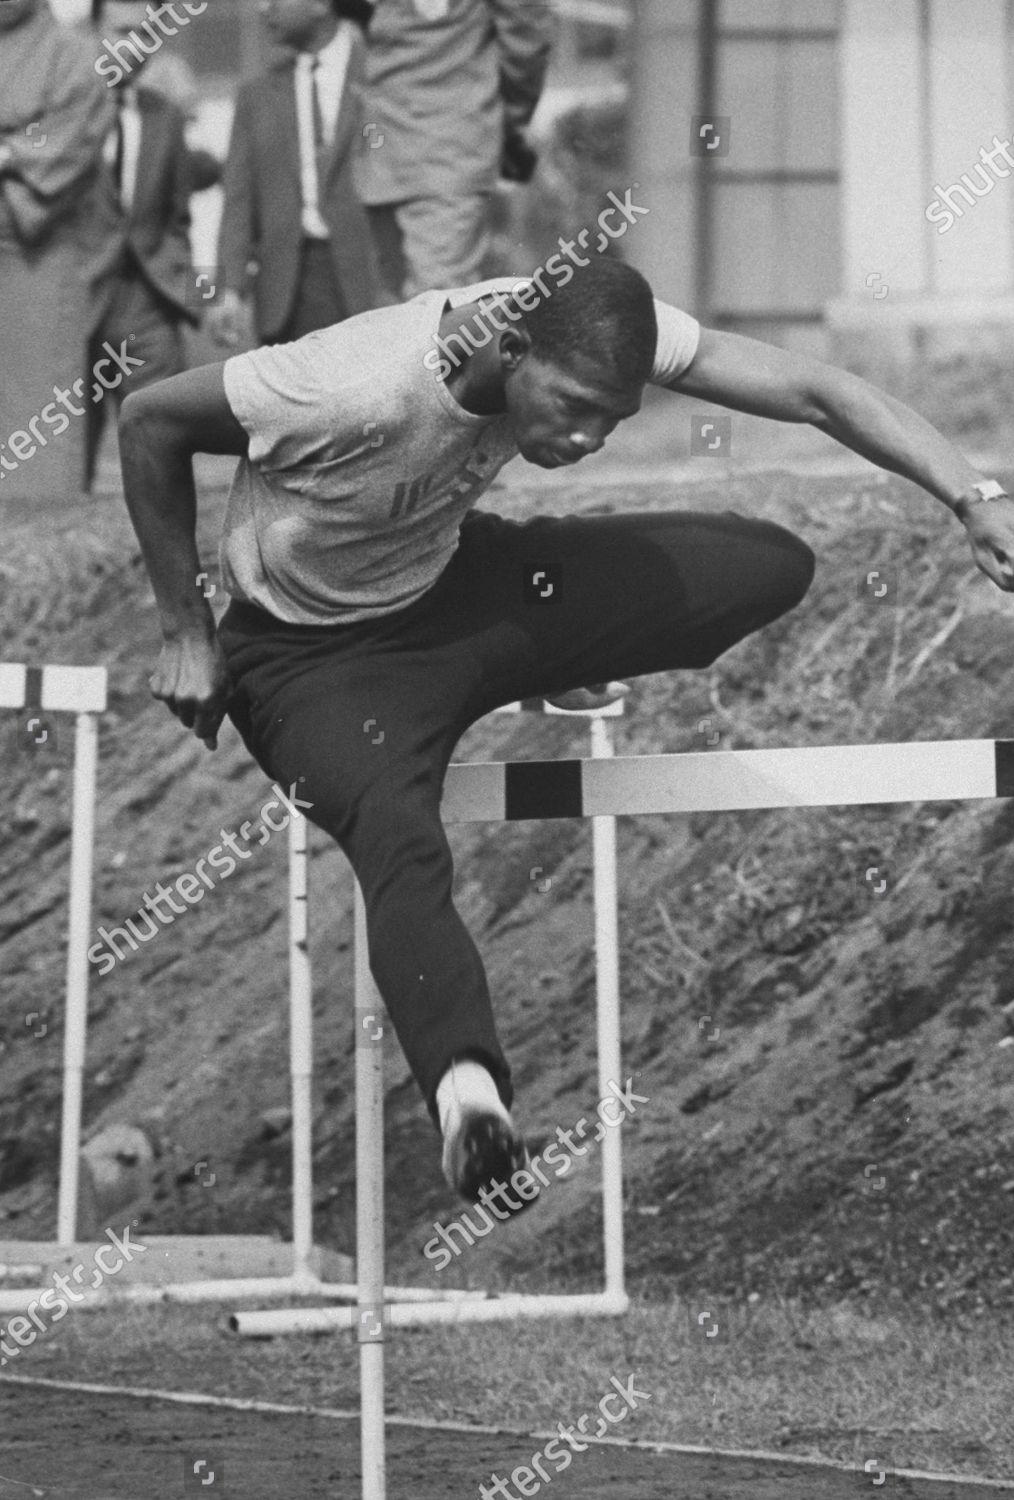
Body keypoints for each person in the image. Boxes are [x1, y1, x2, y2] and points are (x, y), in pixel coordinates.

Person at [116, 256, 1014, 1206]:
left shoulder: (586, 317)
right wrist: (186, 628)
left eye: (613, 421)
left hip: (456, 590)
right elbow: (148, 422)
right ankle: (471, 1103)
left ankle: (542, 658)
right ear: (509, 349)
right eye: (576, 408)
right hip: (310, 661)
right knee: (398, 839)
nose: (587, 439)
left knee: (764, 564)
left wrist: (973, 498)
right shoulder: (346, 385)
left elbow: (815, 390)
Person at [207, 0, 380, 351]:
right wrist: (227, 291)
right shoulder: (255, 96)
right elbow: (237, 202)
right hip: (284, 300)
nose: (262, 8)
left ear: (320, 5)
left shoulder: (380, 76)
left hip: (371, 289)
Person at [355, 0, 553, 301]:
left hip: (444, 150)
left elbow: (525, 34)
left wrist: (504, 122)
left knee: (436, 311)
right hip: (383, 149)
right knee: (394, 315)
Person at [84, 0, 202, 494]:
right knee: (60, 457)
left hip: (148, 304)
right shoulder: (61, 110)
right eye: (120, 31)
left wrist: (179, 282)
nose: (131, 44)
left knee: (165, 449)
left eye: (143, 33)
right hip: (73, 301)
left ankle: (168, 568)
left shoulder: (165, 116)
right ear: (94, 32)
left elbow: (177, 216)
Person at [0, 0, 114, 502]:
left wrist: (9, 152)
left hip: (33, 249)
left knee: (35, 416)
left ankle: (36, 540)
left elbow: (65, 147)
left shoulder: (76, 56)